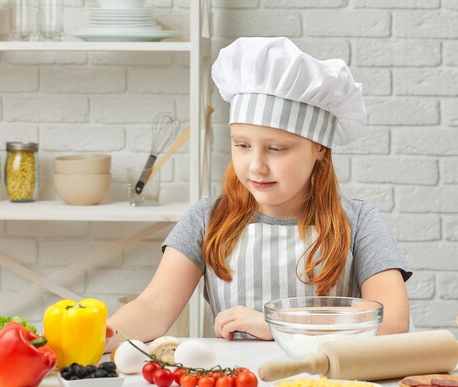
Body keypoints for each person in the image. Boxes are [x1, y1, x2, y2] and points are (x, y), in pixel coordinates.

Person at [106, 37, 411, 350]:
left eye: (276, 149)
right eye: (242, 145)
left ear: (319, 148)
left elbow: (393, 322)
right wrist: (92, 335)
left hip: (326, 385)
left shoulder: (359, 222)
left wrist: (280, 326)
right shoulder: (207, 218)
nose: (256, 166)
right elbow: (154, 307)